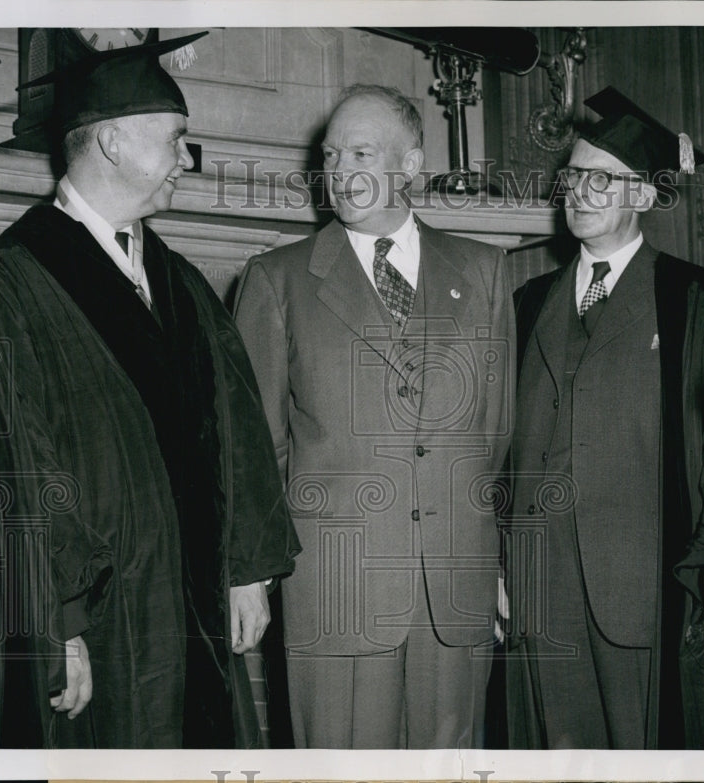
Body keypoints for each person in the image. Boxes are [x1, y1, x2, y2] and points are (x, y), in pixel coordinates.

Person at [0, 32, 300, 749]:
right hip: (105, 614)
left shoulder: (177, 280)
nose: (188, 156)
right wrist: (61, 621)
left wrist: (245, 570)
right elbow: (20, 465)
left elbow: (237, 426)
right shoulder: (7, 284)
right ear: (113, 142)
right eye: (176, 138)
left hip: (195, 606)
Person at [233, 84, 513, 749]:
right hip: (338, 589)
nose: (340, 171)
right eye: (331, 155)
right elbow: (254, 448)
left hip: (455, 590)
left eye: (360, 152)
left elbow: (493, 434)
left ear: (410, 165)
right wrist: (251, 570)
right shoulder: (277, 280)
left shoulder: (483, 271)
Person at [504, 86, 704, 750]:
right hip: (541, 588)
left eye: (602, 179)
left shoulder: (695, 300)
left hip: (648, 582)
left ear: (644, 196)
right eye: (572, 175)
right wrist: (497, 568)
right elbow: (499, 446)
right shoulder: (526, 303)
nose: (579, 191)